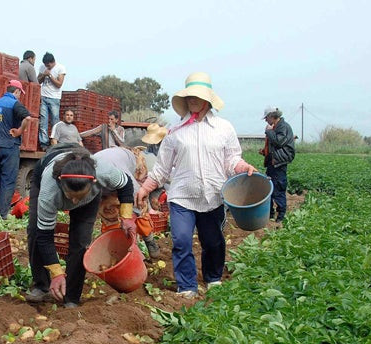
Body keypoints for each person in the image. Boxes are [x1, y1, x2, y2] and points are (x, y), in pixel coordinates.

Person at [135, 72, 257, 299]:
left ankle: (213, 278)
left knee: (213, 242)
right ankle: (187, 285)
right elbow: (162, 168)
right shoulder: (175, 132)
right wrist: (145, 188)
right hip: (182, 196)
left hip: (213, 195)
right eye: (189, 96)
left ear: (207, 99)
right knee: (181, 240)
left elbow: (231, 161)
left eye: (197, 96)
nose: (192, 99)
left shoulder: (223, 128)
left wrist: (243, 167)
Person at [26, 144, 136, 307]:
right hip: (44, 172)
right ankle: (41, 286)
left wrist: (126, 216)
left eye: (79, 197)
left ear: (95, 182)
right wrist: (57, 273)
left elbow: (125, 184)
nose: (74, 202)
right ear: (59, 182)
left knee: (80, 242)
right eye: (70, 197)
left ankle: (72, 297)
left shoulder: (103, 171)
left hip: (89, 199)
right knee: (35, 232)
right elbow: (45, 237)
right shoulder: (48, 193)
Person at [97, 147, 161, 259]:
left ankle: (149, 239)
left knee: (139, 207)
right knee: (109, 213)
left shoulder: (129, 170)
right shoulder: (90, 177)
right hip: (100, 182)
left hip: (120, 176)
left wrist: (129, 217)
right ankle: (121, 249)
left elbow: (135, 197)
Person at [0, 79, 31, 218]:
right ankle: (3, 214)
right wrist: (19, 131)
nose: (20, 96)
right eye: (20, 93)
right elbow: (28, 118)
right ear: (16, 91)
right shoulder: (14, 103)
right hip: (9, 146)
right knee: (8, 180)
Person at [259, 106, 295, 222]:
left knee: (278, 188)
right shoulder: (277, 127)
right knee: (269, 187)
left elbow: (279, 142)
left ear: (271, 116)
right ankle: (270, 214)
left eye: (266, 118)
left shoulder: (283, 127)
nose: (265, 120)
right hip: (273, 162)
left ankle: (280, 217)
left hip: (279, 163)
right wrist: (265, 152)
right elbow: (274, 146)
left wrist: (269, 131)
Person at [37, 52, 66, 150]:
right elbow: (38, 81)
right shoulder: (42, 67)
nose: (47, 67)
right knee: (43, 121)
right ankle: (44, 144)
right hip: (43, 96)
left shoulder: (60, 68)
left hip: (54, 98)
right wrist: (43, 75)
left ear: (52, 62)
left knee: (55, 121)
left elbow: (59, 84)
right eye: (45, 65)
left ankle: (55, 143)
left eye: (48, 65)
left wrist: (50, 76)